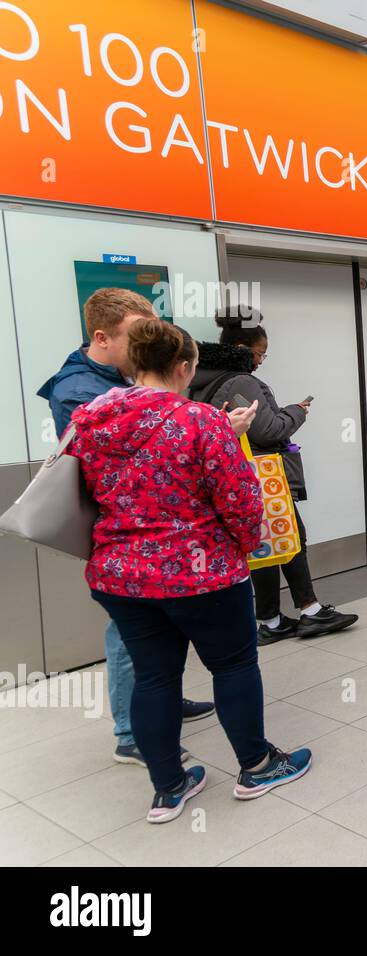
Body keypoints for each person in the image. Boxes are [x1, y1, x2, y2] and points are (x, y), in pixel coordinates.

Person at [70, 318, 311, 823]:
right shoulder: (199, 421)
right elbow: (242, 503)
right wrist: (243, 551)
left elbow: (85, 490)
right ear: (183, 367)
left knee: (155, 678)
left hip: (120, 577)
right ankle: (257, 766)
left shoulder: (91, 417)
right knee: (234, 666)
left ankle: (169, 788)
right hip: (201, 575)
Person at [36, 288, 214, 767]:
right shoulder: (79, 391)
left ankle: (159, 704)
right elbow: (130, 462)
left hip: (142, 531)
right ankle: (130, 731)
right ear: (101, 337)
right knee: (128, 632)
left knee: (157, 628)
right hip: (122, 533)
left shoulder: (120, 379)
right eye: (137, 337)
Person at [189, 308, 359, 644]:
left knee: (262, 544)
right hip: (259, 477)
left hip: (231, 476)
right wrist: (297, 412)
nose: (262, 360)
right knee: (291, 534)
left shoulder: (201, 380)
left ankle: (271, 619)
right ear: (241, 348)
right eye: (259, 353)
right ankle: (310, 611)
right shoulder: (239, 380)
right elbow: (267, 431)